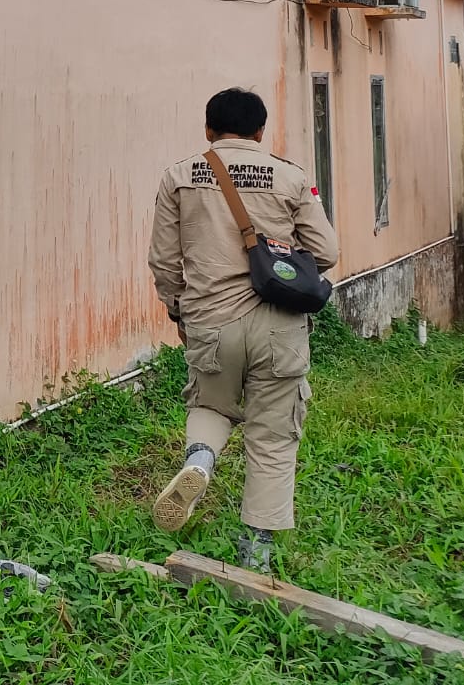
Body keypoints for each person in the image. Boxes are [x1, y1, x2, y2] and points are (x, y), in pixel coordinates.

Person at [147, 88, 338, 571]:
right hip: (279, 326)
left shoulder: (179, 176)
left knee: (211, 404)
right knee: (273, 437)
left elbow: (165, 262)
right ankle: (257, 553)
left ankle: (200, 462)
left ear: (209, 130)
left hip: (211, 321)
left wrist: (179, 312)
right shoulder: (291, 176)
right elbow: (327, 251)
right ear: (259, 132)